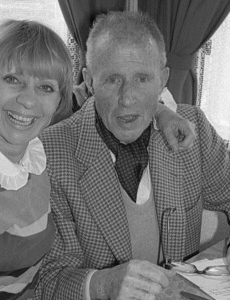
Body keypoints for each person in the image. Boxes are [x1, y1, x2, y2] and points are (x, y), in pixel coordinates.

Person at [0, 17, 195, 299]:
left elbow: (104, 93)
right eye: (12, 79)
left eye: (45, 87)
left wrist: (160, 110)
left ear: (59, 98)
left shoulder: (31, 153)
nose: (28, 101)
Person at [35, 11, 230, 300]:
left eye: (142, 78)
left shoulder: (193, 129)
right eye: (112, 80)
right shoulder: (50, 154)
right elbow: (45, 280)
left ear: (163, 79)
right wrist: (101, 285)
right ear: (89, 82)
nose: (128, 98)